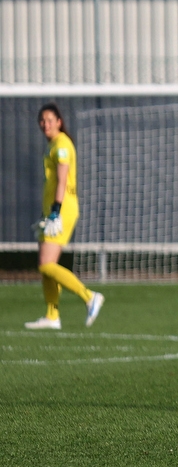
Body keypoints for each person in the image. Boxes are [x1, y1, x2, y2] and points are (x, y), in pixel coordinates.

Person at [24, 102, 105, 330]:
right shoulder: (54, 144)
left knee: (45, 264)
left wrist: (55, 212)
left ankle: (89, 296)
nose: (45, 124)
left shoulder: (61, 144)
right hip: (53, 209)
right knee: (47, 264)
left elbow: (62, 178)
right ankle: (52, 316)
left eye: (50, 120)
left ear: (59, 122)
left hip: (62, 209)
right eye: (42, 120)